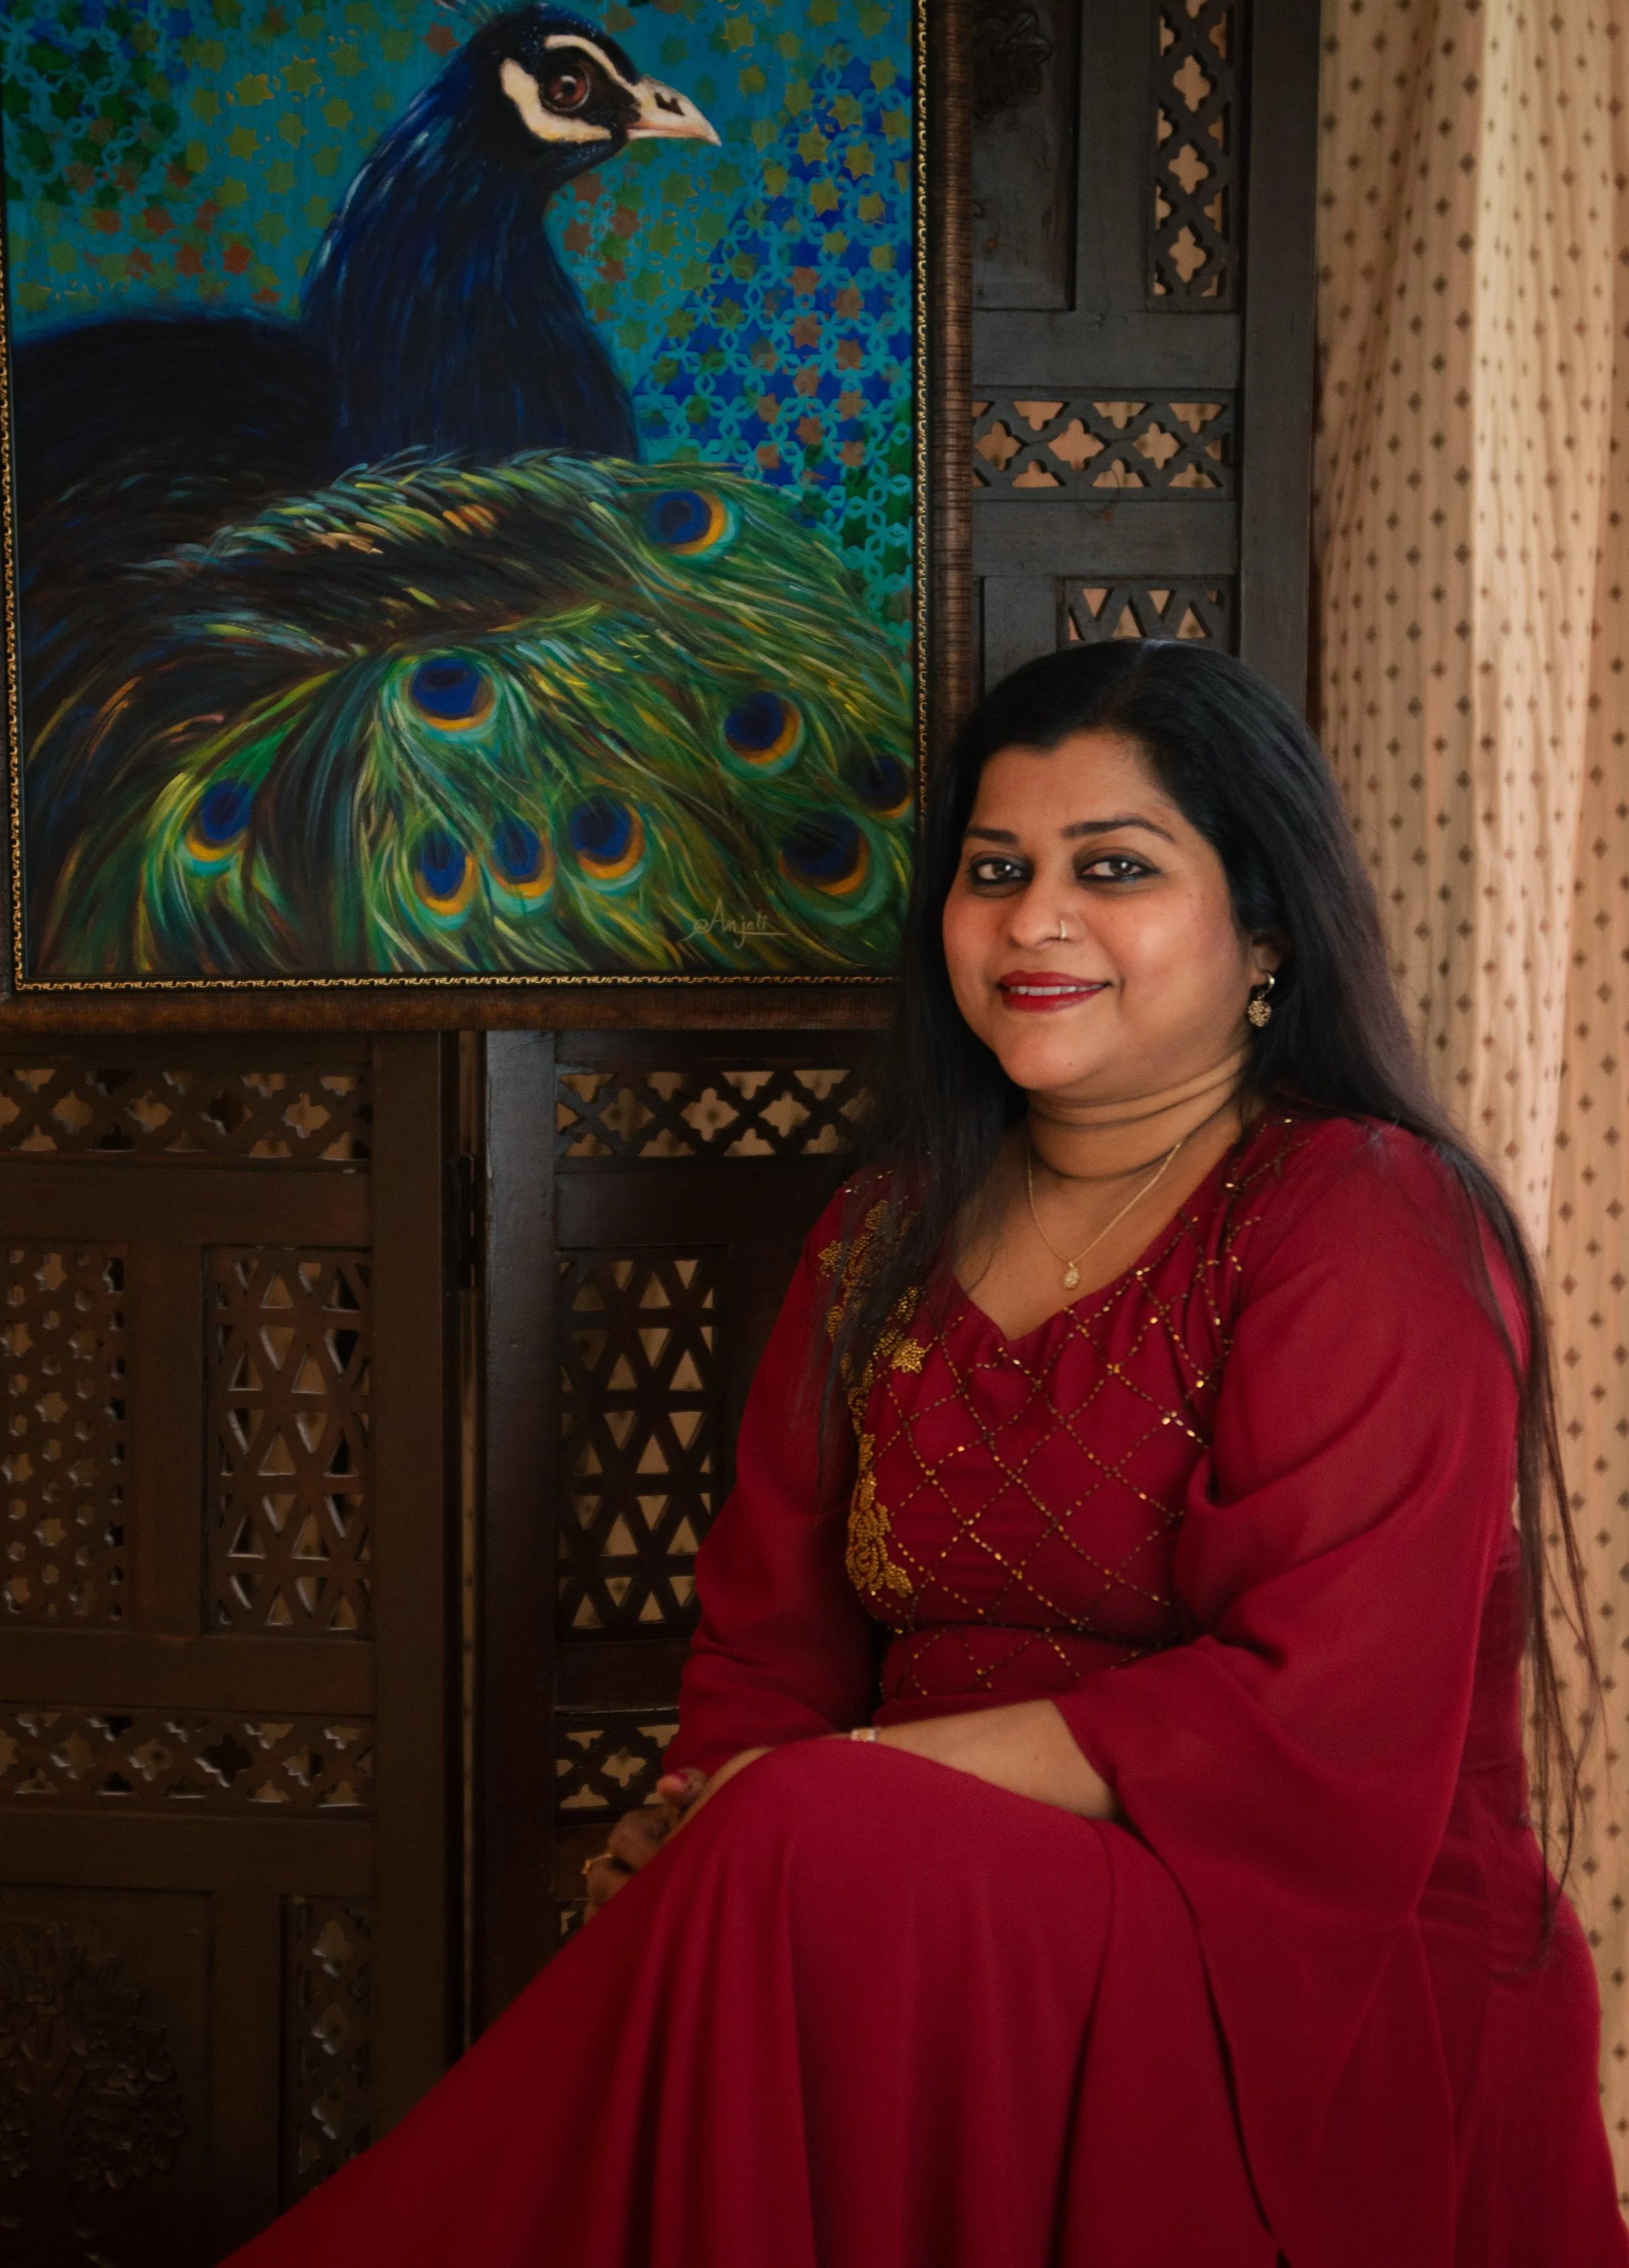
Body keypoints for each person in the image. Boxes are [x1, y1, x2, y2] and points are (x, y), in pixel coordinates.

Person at [226, 641, 1628, 2268]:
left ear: (1263, 932)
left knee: (789, 1849)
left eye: (1111, 867)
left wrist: (833, 1793)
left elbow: (1313, 1716)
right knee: (751, 1867)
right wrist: (708, 1811)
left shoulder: (1360, 1212)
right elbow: (765, 1653)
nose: (1034, 918)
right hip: (896, 1913)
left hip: (1283, 1948)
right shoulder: (882, 1234)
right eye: (992, 871)